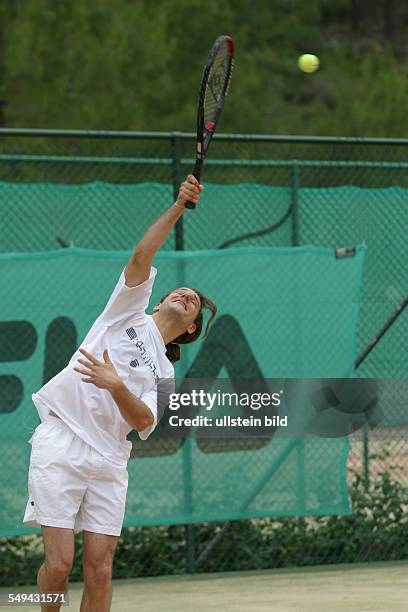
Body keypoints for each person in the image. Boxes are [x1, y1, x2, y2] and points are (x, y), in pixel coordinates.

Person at [23, 175, 217, 612]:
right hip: (63, 441)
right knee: (59, 567)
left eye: (194, 306)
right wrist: (179, 205)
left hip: (110, 458)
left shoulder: (164, 373)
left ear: (189, 331)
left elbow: (145, 422)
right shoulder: (125, 311)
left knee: (101, 569)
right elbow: (141, 254)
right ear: (156, 300)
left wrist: (115, 386)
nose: (187, 296)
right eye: (180, 292)